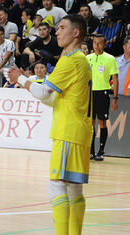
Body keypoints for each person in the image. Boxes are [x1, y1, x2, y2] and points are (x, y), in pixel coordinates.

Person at [9, 14, 92, 235]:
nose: (57, 31)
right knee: (74, 189)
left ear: (75, 33)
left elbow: (42, 91)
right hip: (80, 131)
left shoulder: (71, 60)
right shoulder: (82, 60)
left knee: (56, 186)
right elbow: (53, 99)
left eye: (62, 28)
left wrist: (21, 79)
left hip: (67, 132)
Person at [87, 34, 119, 161]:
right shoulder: (87, 58)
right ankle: (90, 151)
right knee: (90, 124)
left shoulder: (110, 59)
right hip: (89, 93)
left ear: (105, 44)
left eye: (100, 43)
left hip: (103, 93)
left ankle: (101, 151)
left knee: (102, 123)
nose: (97, 45)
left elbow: (115, 79)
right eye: (95, 42)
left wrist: (115, 98)